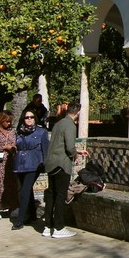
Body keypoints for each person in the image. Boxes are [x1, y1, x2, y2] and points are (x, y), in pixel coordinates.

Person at [45, 102, 82, 238]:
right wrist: (75, 155)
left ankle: (47, 226)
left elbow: (58, 143)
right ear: (78, 113)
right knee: (61, 195)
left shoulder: (59, 123)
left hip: (51, 163)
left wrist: (76, 151)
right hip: (61, 165)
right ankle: (59, 227)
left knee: (51, 195)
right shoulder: (70, 125)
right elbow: (69, 146)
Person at [11, 107, 50, 230]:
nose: (29, 119)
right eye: (27, 117)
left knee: (24, 191)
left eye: (31, 117)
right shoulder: (19, 132)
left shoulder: (41, 132)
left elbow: (46, 149)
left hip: (34, 165)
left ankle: (20, 220)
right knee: (27, 190)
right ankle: (32, 215)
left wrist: (45, 164)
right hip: (20, 164)